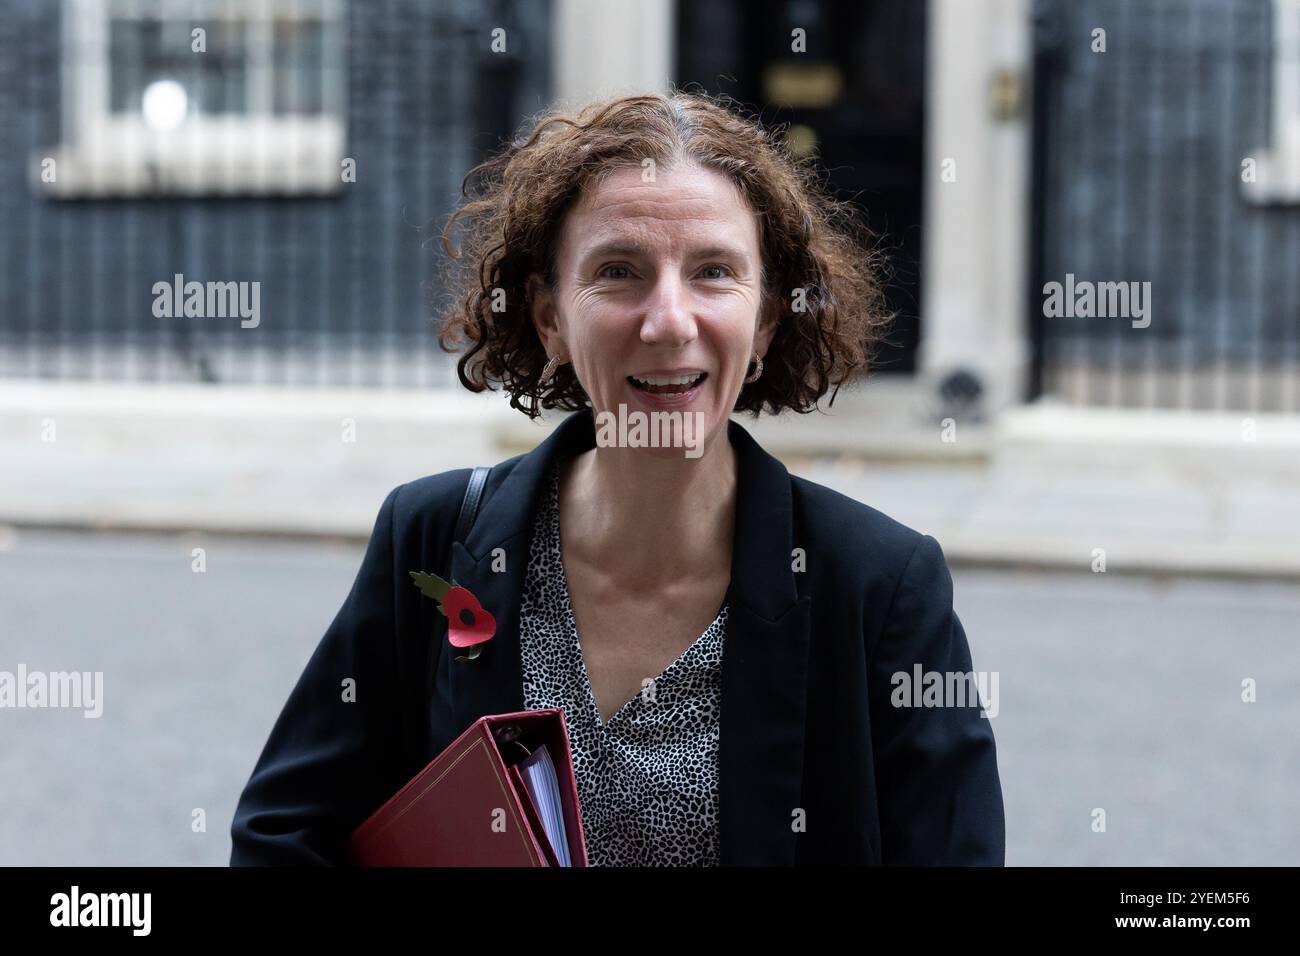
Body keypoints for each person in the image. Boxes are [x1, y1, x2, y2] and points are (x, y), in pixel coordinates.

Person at [230, 90, 1004, 866]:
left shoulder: (877, 584)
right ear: (549, 318)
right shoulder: (433, 541)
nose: (668, 320)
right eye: (619, 271)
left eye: (713, 272)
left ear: (766, 320)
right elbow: (282, 837)